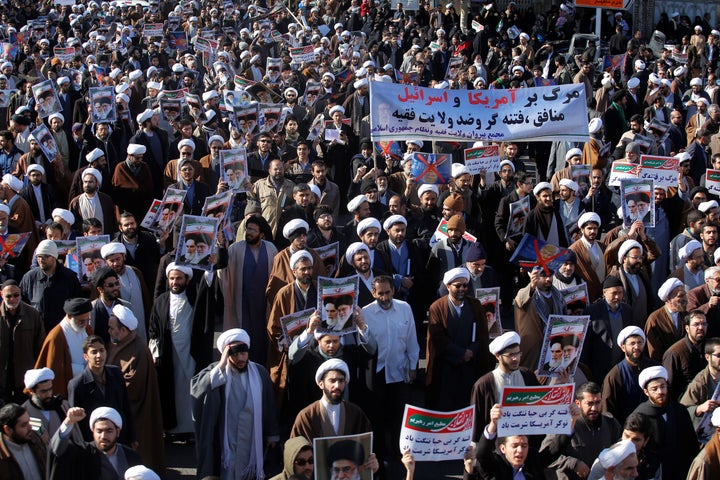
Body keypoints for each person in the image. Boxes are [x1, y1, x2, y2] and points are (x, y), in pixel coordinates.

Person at [191, 328, 278, 480]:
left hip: (251, 437)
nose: (240, 358)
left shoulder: (260, 373)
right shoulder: (218, 371)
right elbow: (198, 388)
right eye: (235, 354)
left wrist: (272, 435)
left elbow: (269, 405)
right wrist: (222, 364)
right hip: (227, 438)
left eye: (243, 353)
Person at [148, 262, 209, 436]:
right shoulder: (161, 301)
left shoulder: (195, 298)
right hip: (168, 353)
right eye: (172, 278)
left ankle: (191, 429)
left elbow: (208, 291)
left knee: (189, 389)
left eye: (179, 278)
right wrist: (154, 351)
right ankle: (171, 429)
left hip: (190, 352)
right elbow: (153, 328)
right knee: (170, 390)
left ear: (187, 280)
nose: (175, 282)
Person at [362, 275, 419, 461]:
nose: (385, 298)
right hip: (377, 373)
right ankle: (380, 454)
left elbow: (411, 340)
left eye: (388, 292)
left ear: (393, 290)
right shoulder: (365, 313)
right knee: (377, 417)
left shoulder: (405, 309)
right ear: (373, 293)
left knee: (399, 416)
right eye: (380, 294)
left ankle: (398, 451)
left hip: (400, 371)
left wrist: (412, 366)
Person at [106, 305, 165, 475]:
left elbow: (133, 387)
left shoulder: (138, 350)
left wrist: (105, 384)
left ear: (123, 330)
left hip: (137, 414)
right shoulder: (118, 343)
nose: (109, 331)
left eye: (112, 328)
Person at [426, 267, 491, 411]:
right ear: (448, 286)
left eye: (465, 285)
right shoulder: (437, 308)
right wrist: (460, 353)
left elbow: (482, 334)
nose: (462, 289)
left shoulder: (475, 305)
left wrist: (471, 352)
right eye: (458, 286)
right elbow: (438, 338)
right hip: (447, 367)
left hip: (470, 365)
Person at [219, 216, 279, 357]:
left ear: (262, 234)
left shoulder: (271, 249)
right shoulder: (235, 249)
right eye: (248, 228)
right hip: (242, 303)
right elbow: (224, 273)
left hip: (264, 305)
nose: (248, 232)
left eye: (253, 230)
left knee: (263, 339)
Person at [540, 382, 622, 479]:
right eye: (590, 403)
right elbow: (546, 455)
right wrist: (572, 463)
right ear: (578, 403)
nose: (594, 408)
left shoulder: (611, 424)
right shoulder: (564, 424)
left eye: (598, 402)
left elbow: (620, 451)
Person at [470, 331, 540, 443]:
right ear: (498, 356)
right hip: (496, 448)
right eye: (510, 355)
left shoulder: (527, 376)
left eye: (518, 354)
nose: (515, 359)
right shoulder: (484, 384)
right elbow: (476, 425)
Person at [67, 335, 136, 447]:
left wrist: (132, 437)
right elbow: (76, 424)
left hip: (119, 440)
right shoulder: (77, 385)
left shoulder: (116, 374)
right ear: (85, 356)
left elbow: (125, 407)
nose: (99, 355)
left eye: (101, 350)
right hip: (94, 444)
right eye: (94, 352)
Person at [631, 365, 697, 480]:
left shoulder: (679, 411)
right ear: (646, 392)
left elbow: (691, 444)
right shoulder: (640, 416)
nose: (660, 392)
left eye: (663, 386)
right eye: (654, 389)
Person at [48, 406, 142, 480]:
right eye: (99, 431)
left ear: (117, 432)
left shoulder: (131, 456)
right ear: (93, 431)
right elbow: (58, 450)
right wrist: (68, 422)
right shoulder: (83, 453)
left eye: (109, 431)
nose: (103, 436)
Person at [291, 359, 374, 442]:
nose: (337, 386)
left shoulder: (355, 413)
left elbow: (366, 444)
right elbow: (295, 449)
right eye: (332, 381)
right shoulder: (307, 416)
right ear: (321, 384)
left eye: (341, 381)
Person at [465, 403, 544, 479]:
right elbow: (482, 455)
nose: (520, 450)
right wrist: (493, 423)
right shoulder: (496, 467)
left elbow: (554, 446)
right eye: (515, 446)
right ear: (503, 448)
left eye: (524, 446)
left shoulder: (533, 461)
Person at [34, 298, 93, 399]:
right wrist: (83, 369)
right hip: (69, 389)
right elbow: (56, 370)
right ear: (69, 317)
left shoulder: (86, 328)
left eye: (88, 320)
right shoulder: (56, 336)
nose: (85, 324)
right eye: (81, 321)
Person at [581, 275, 636, 383]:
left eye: (620, 293)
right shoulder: (592, 311)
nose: (617, 297)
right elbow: (585, 343)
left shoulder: (627, 310)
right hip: (598, 368)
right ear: (604, 292)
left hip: (620, 366)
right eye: (614, 293)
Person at [20, 239, 82, 332]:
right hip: (36, 330)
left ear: (54, 257)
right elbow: (23, 304)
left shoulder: (69, 277)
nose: (41, 260)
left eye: (45, 256)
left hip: (62, 330)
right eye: (39, 256)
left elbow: (77, 303)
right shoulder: (29, 277)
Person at [602, 326, 660, 425]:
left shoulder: (655, 368)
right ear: (623, 347)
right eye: (632, 343)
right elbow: (608, 411)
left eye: (639, 343)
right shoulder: (615, 375)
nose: (636, 347)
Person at [0, 279, 44, 403]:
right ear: (1, 295)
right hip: (2, 376)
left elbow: (40, 346)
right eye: (8, 296)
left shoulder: (33, 315)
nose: (13, 299)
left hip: (24, 375)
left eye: (16, 295)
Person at [514, 266, 567, 371]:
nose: (548, 279)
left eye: (550, 276)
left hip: (554, 347)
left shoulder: (557, 295)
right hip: (534, 351)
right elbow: (521, 300)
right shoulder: (527, 293)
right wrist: (532, 286)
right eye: (544, 276)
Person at [663, 310, 708, 401]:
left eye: (704, 324)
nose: (701, 327)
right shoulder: (674, 353)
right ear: (687, 328)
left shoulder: (710, 347)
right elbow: (669, 387)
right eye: (696, 324)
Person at [645, 277, 688, 361]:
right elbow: (653, 351)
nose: (685, 299)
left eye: (685, 295)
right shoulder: (655, 319)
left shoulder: (685, 315)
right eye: (680, 296)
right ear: (668, 299)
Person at [0, 402, 46, 478]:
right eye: (24, 425)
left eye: (29, 422)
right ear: (7, 429)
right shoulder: (2, 457)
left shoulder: (35, 438)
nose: (30, 427)